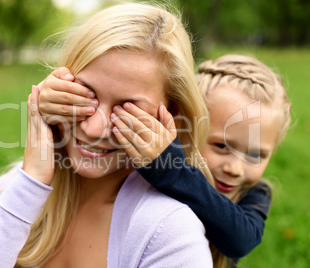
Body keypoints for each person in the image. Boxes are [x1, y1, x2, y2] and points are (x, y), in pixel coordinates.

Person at [0, 3, 214, 267]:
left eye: (126, 108)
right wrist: (31, 181)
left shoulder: (168, 231)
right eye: (85, 95)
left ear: (172, 114)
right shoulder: (18, 185)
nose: (94, 128)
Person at [38, 54, 291, 268]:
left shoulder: (256, 193)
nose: (235, 169)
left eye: (256, 155)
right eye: (221, 146)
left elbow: (240, 240)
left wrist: (172, 171)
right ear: (182, 129)